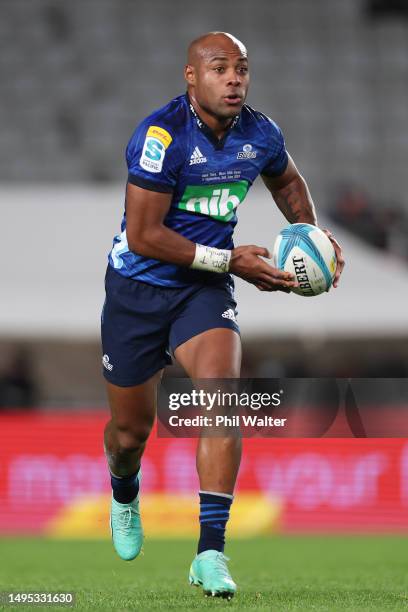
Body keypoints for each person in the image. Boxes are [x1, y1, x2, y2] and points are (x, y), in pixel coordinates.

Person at [101, 31, 344, 599]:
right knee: (131, 432)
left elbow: (287, 180)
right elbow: (143, 236)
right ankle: (123, 489)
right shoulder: (160, 137)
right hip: (137, 291)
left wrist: (308, 236)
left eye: (242, 68)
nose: (234, 78)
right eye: (219, 68)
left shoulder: (260, 133)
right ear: (191, 76)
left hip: (201, 291)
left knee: (221, 399)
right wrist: (231, 259)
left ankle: (210, 552)